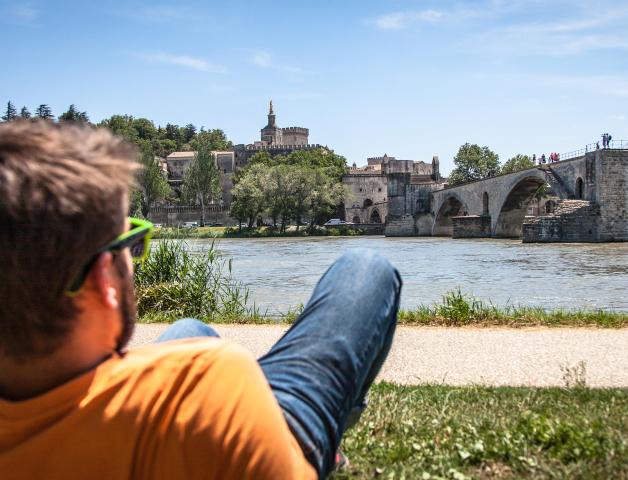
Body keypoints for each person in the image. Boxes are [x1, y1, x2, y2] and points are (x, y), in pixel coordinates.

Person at [0, 121, 402, 480]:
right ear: (104, 278)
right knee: (366, 268)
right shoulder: (209, 377)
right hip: (271, 430)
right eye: (133, 242)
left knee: (188, 329)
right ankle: (326, 443)